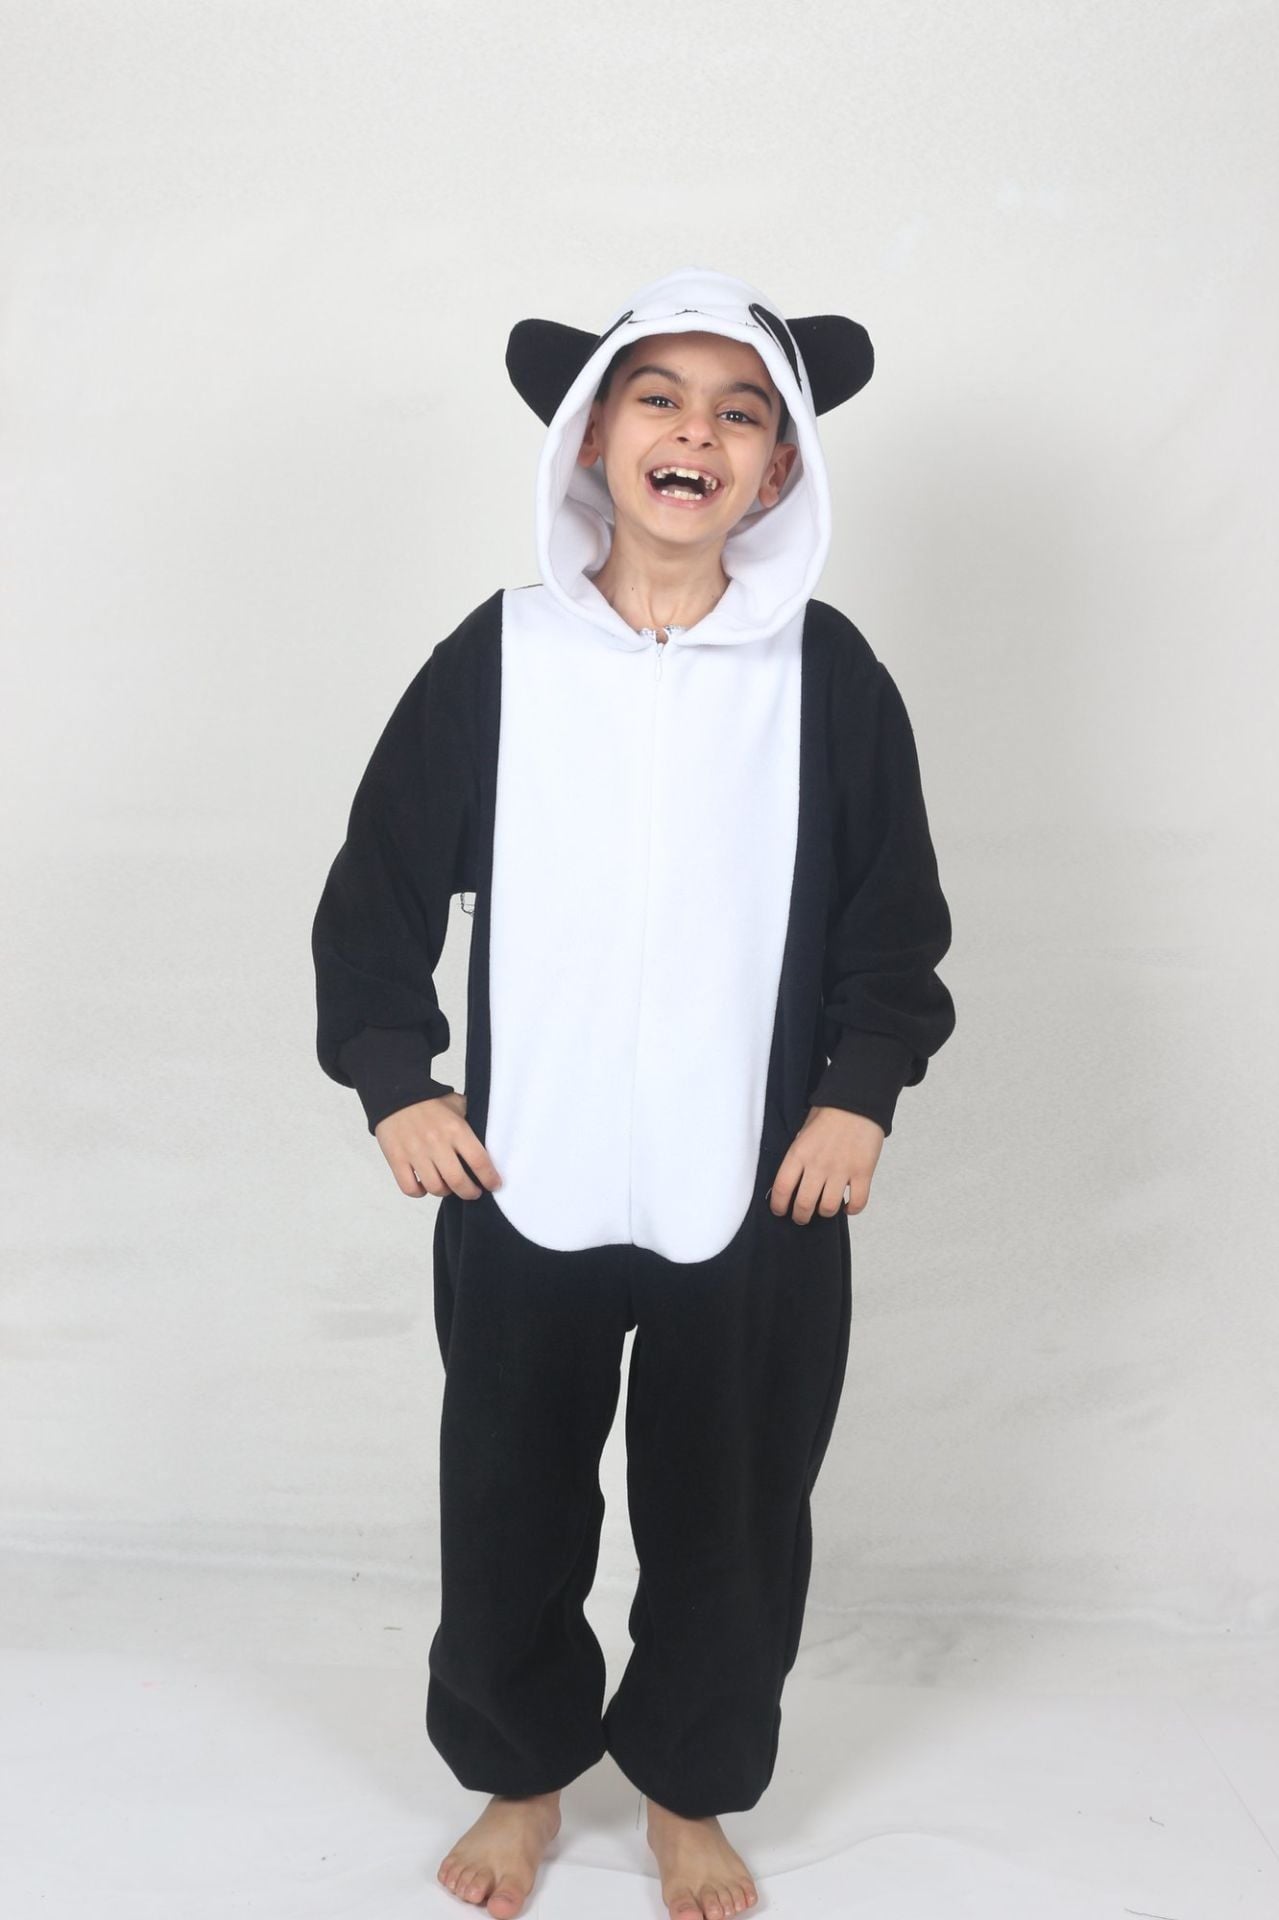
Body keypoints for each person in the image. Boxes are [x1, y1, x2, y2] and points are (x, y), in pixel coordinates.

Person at [311, 264, 956, 1920]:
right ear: (592, 434)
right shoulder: (501, 659)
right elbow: (377, 891)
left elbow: (892, 919)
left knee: (733, 1511)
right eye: (659, 398)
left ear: (783, 466)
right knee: (509, 1501)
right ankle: (521, 1775)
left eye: (741, 413)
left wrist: (858, 1092)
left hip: (756, 1189)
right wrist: (396, 1078)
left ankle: (688, 1788)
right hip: (524, 1175)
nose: (697, 434)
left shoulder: (826, 677)